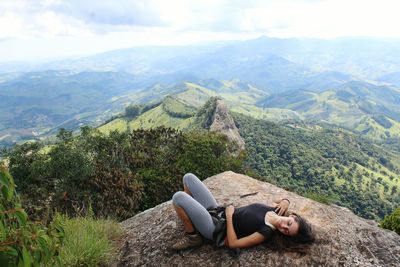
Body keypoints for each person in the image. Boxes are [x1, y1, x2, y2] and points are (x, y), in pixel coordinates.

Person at [171, 173, 315, 251]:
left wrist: (229, 216)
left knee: (178, 197)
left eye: (287, 231)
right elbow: (272, 197)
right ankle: (191, 217)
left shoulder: (265, 232)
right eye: (289, 223)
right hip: (217, 211)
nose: (284, 227)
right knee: (188, 178)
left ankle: (193, 236)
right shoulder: (277, 210)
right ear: (292, 216)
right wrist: (285, 200)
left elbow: (234, 244)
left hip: (216, 229)